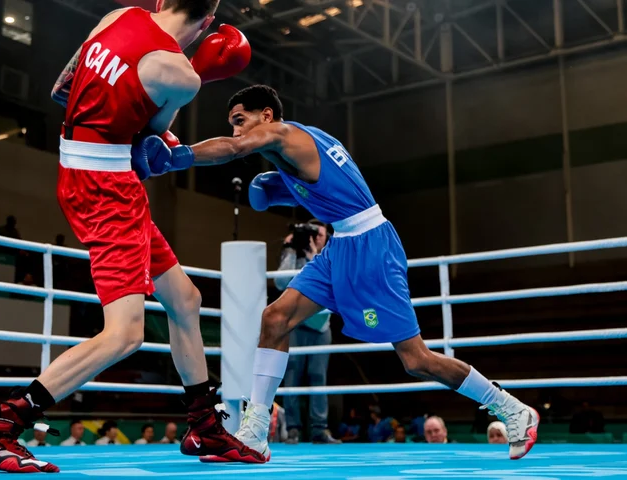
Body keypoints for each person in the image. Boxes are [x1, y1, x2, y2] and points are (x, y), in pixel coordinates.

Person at [131, 84, 540, 462]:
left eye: (240, 120)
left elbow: (233, 150)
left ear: (266, 115)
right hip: (341, 245)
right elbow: (304, 191)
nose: (236, 129)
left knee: (416, 360)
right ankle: (255, 435)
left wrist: (178, 155)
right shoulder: (295, 150)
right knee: (274, 319)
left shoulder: (285, 135)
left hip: (371, 246)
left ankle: (513, 409)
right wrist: (277, 185)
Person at [0, 1, 261, 473]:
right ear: (206, 23)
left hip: (81, 169)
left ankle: (203, 425)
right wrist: (191, 73)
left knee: (185, 298)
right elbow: (151, 143)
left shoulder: (120, 16)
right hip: (108, 189)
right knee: (125, 335)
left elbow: (63, 88)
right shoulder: (181, 75)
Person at [275, 220, 339, 445]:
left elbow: (333, 286)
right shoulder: (296, 257)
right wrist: (290, 250)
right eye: (313, 233)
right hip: (297, 325)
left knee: (318, 378)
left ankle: (319, 430)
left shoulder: (333, 255)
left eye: (319, 234)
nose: (316, 238)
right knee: (292, 376)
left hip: (321, 327)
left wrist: (314, 257)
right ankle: (293, 429)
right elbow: (280, 282)